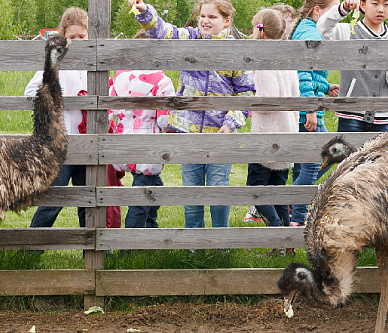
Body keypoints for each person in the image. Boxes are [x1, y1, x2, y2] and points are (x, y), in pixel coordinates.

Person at [129, 0, 255, 229]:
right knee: (191, 191)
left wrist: (231, 122)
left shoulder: (236, 52)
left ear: (227, 21)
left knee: (218, 190)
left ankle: (220, 239)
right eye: (202, 16)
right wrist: (145, 11)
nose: (205, 21)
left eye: (212, 17)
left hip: (220, 134)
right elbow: (164, 32)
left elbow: (246, 92)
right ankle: (193, 240)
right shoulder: (190, 38)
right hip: (189, 132)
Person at [26, 7, 123, 230]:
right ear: (63, 36)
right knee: (53, 200)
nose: (78, 41)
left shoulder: (97, 63)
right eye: (72, 37)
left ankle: (88, 243)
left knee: (87, 198)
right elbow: (30, 91)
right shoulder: (56, 62)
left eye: (82, 36)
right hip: (62, 142)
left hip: (89, 142)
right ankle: (32, 242)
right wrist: (59, 100)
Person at [109, 30, 176, 229]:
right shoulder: (162, 82)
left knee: (155, 187)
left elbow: (107, 113)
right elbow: (164, 120)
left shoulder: (120, 79)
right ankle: (131, 239)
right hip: (148, 144)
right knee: (142, 197)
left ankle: (150, 227)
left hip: (122, 141)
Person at [317, 0, 388, 133]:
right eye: (375, 3)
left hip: (384, 116)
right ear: (363, 5)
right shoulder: (347, 32)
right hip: (351, 112)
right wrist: (343, 9)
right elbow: (322, 28)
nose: (381, 9)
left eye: (386, 4)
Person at [246, 8, 300, 229]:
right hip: (287, 132)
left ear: (260, 31)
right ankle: (286, 240)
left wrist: (250, 99)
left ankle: (276, 230)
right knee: (278, 191)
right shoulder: (287, 60)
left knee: (256, 189)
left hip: (267, 137)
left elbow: (268, 100)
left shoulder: (264, 62)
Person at [287, 0, 337, 227]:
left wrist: (326, 87)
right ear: (317, 10)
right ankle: (297, 214)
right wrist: (310, 109)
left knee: (320, 159)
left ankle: (292, 207)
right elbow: (302, 74)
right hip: (307, 112)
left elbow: (312, 75)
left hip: (306, 108)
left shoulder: (305, 28)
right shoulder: (310, 33)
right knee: (326, 157)